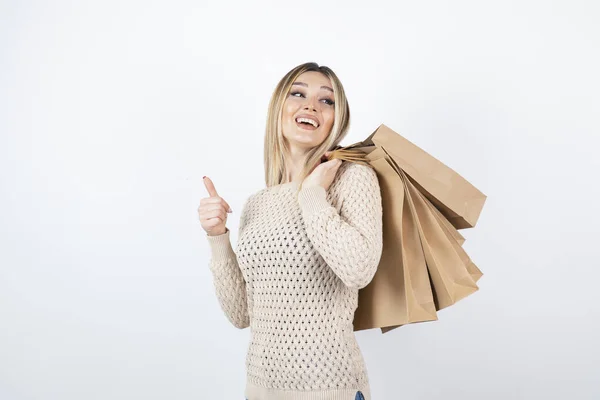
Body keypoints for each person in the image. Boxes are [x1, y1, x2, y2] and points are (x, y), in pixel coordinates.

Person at [198, 62, 383, 400]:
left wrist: (313, 194)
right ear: (279, 109)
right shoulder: (258, 203)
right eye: (298, 94)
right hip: (261, 388)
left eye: (326, 101)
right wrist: (217, 237)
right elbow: (241, 315)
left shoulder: (351, 178)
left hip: (329, 388)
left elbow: (359, 270)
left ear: (337, 119)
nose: (310, 105)